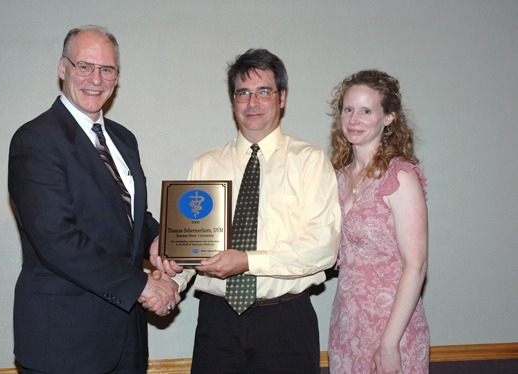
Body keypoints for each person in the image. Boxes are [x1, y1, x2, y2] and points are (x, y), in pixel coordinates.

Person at [151, 48, 341, 373]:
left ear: (281, 97)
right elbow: (192, 243)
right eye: (243, 93)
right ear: (233, 101)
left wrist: (248, 261)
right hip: (217, 322)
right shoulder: (206, 165)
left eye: (263, 91)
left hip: (286, 322)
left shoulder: (310, 162)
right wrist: (167, 280)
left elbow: (323, 247)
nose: (252, 103)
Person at [8, 25, 180, 374]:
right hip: (65, 343)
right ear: (63, 68)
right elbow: (57, 240)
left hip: (126, 339)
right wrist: (142, 285)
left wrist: (158, 238)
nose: (96, 79)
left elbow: (128, 213)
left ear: (117, 76)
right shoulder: (36, 140)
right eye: (84, 66)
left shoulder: (123, 139)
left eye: (107, 69)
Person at [327, 70, 429, 374]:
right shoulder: (337, 175)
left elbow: (417, 265)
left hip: (393, 327)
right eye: (348, 109)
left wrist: (389, 344)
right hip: (347, 324)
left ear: (388, 118)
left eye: (366, 111)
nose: (354, 119)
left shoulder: (401, 176)